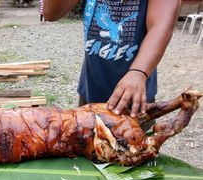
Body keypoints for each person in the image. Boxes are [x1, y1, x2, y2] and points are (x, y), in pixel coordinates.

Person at [43, 0, 180, 118]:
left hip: (134, 95)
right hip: (91, 90)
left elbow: (162, 24)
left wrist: (138, 71)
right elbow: (51, 13)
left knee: (134, 145)